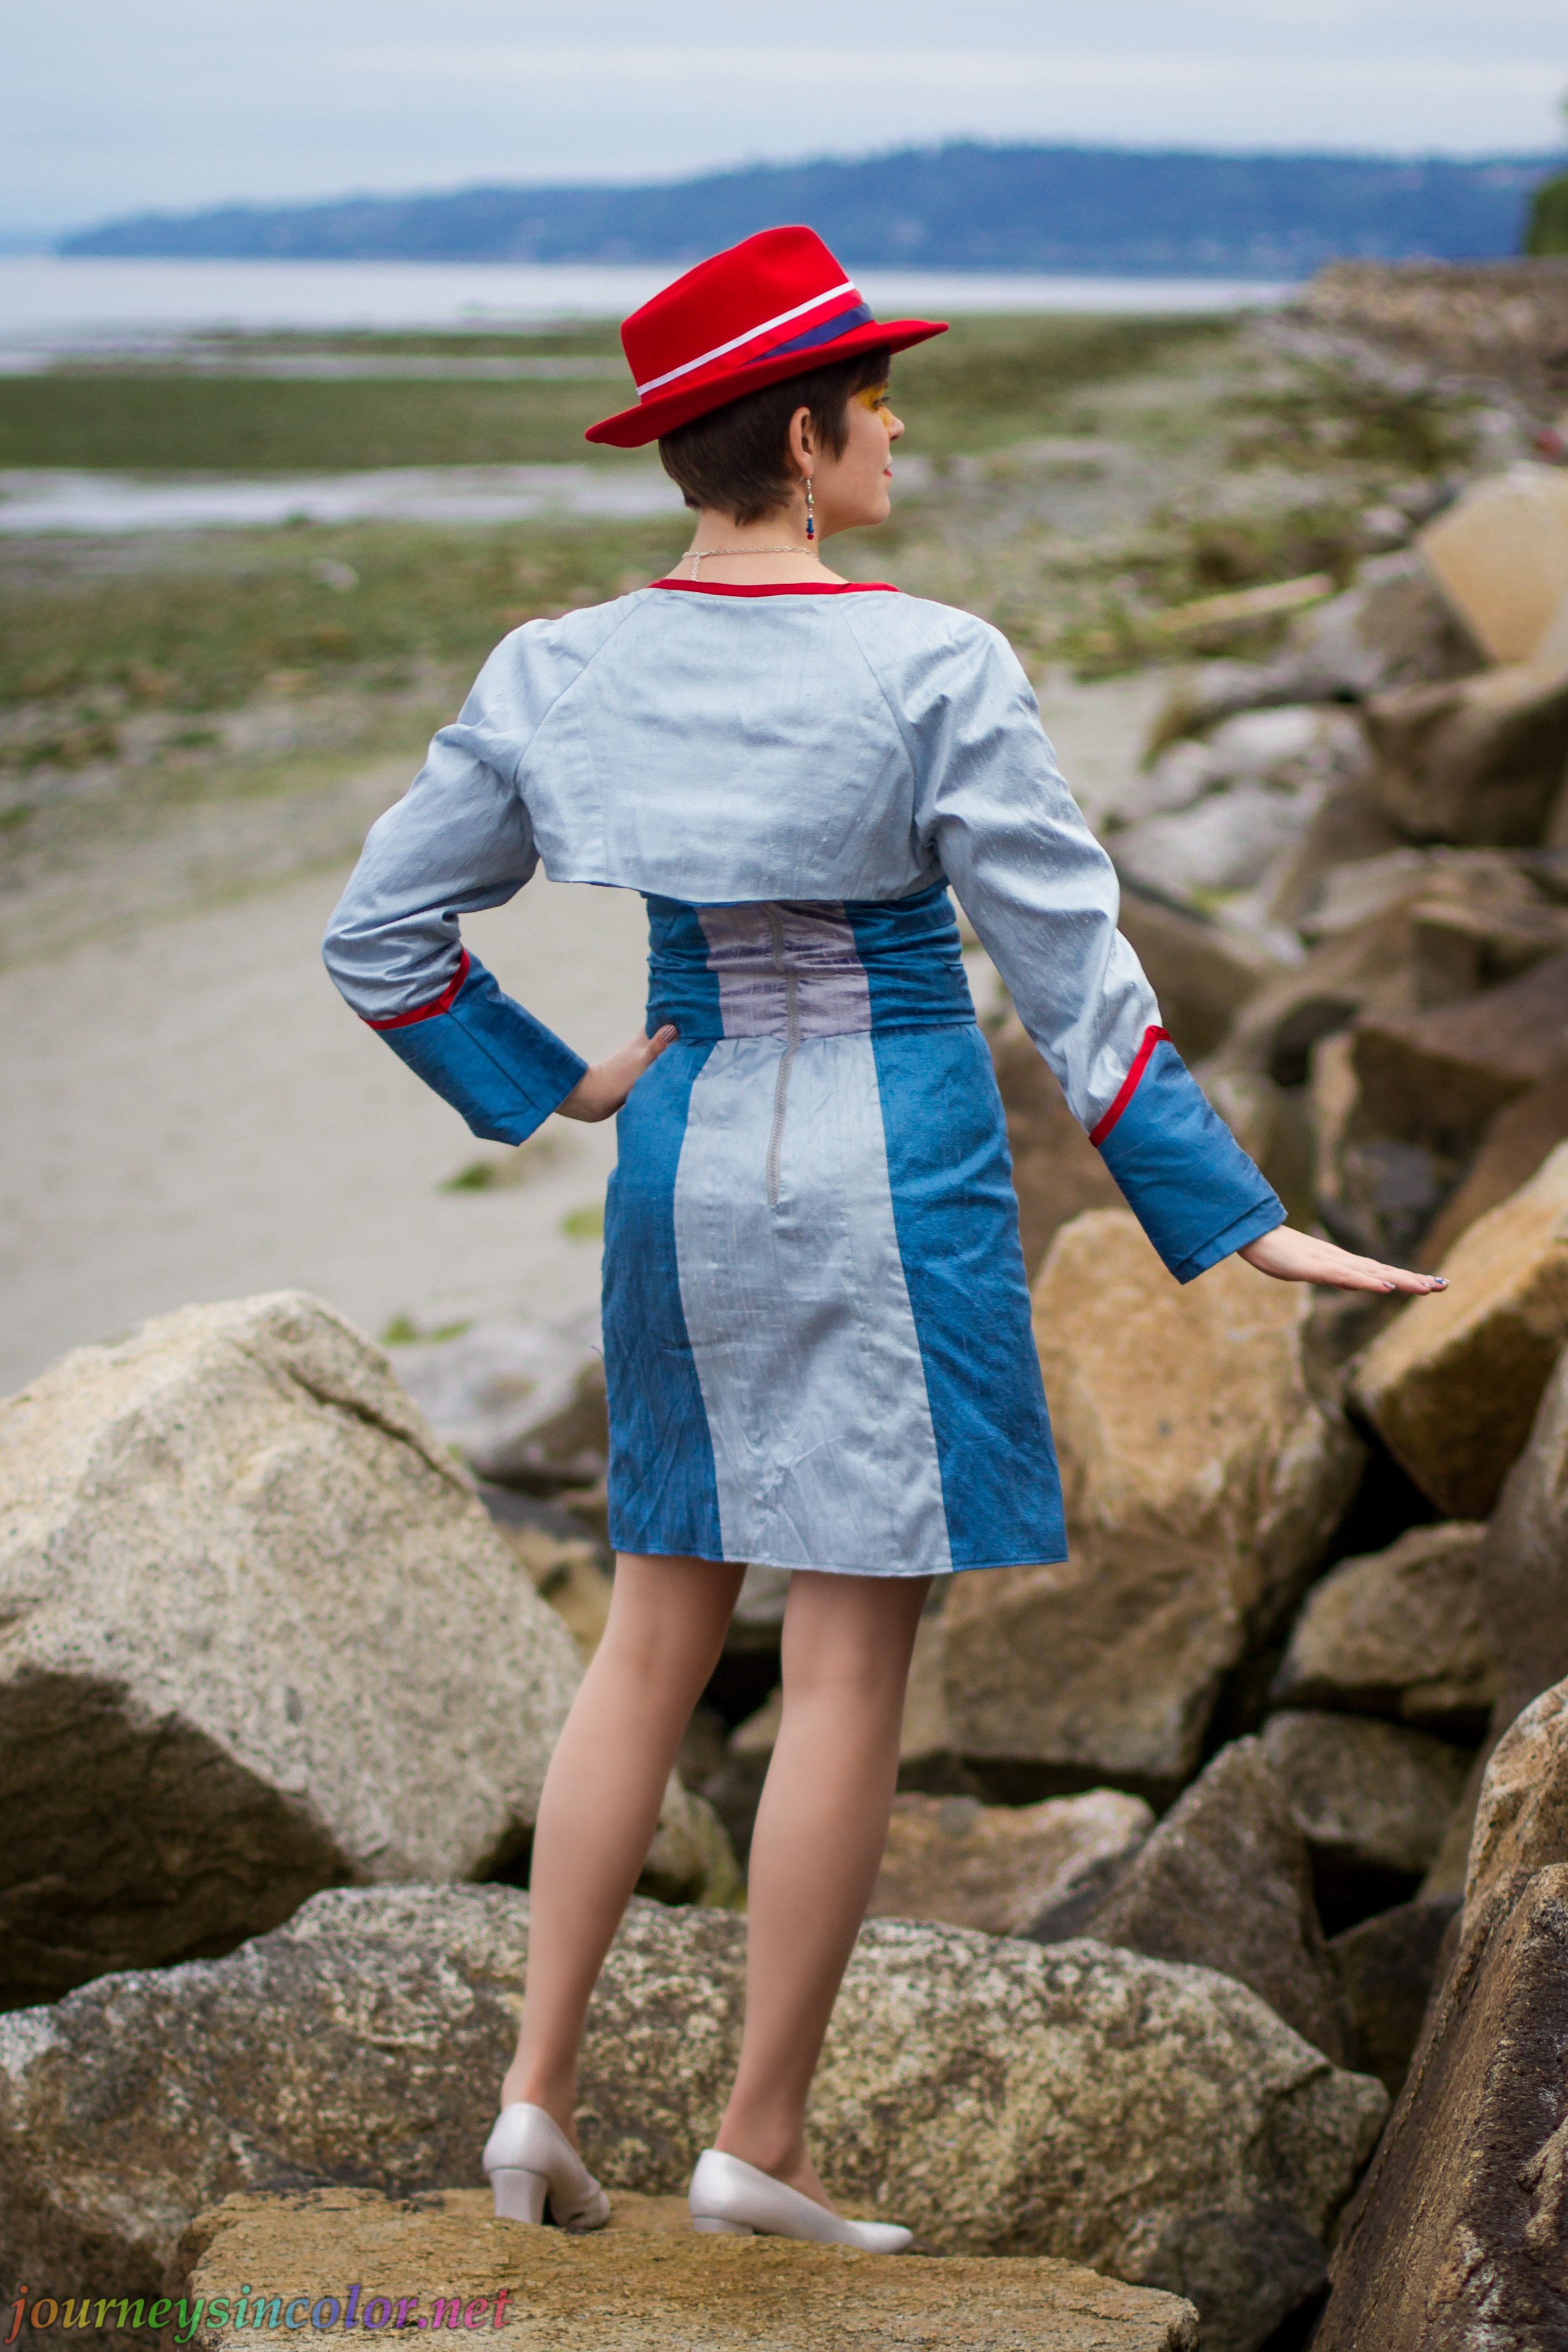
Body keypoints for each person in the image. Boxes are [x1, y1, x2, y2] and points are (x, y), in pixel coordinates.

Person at [322, 224, 1447, 2254]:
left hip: (681, 1147)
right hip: (892, 1163)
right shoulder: (936, 660)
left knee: (649, 1636)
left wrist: (555, 1081)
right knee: (844, 1666)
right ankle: (757, 2140)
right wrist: (1237, 1216)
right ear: (806, 437)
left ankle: (530, 2102)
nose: (899, 429)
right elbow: (1072, 968)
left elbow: (379, 935)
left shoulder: (556, 667)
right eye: (874, 399)